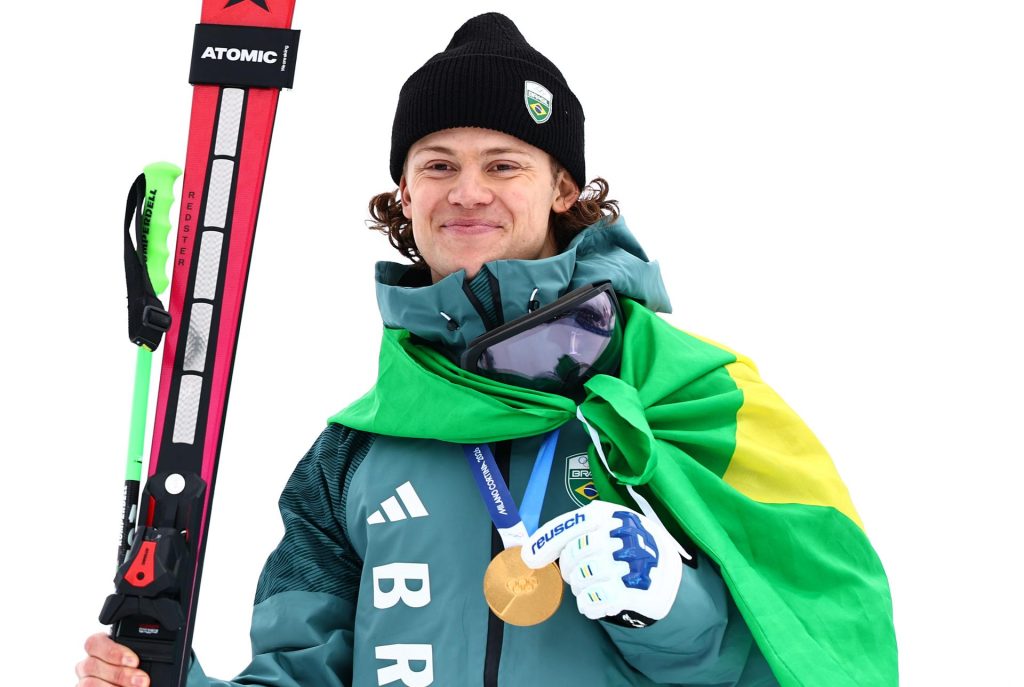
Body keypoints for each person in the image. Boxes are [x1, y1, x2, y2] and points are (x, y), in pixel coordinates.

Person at [77, 13, 896, 687]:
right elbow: (298, 672)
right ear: (405, 193)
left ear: (564, 187)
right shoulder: (352, 451)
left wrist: (673, 607)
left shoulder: (687, 394)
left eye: (503, 163)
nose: (467, 191)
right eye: (438, 165)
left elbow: (799, 643)